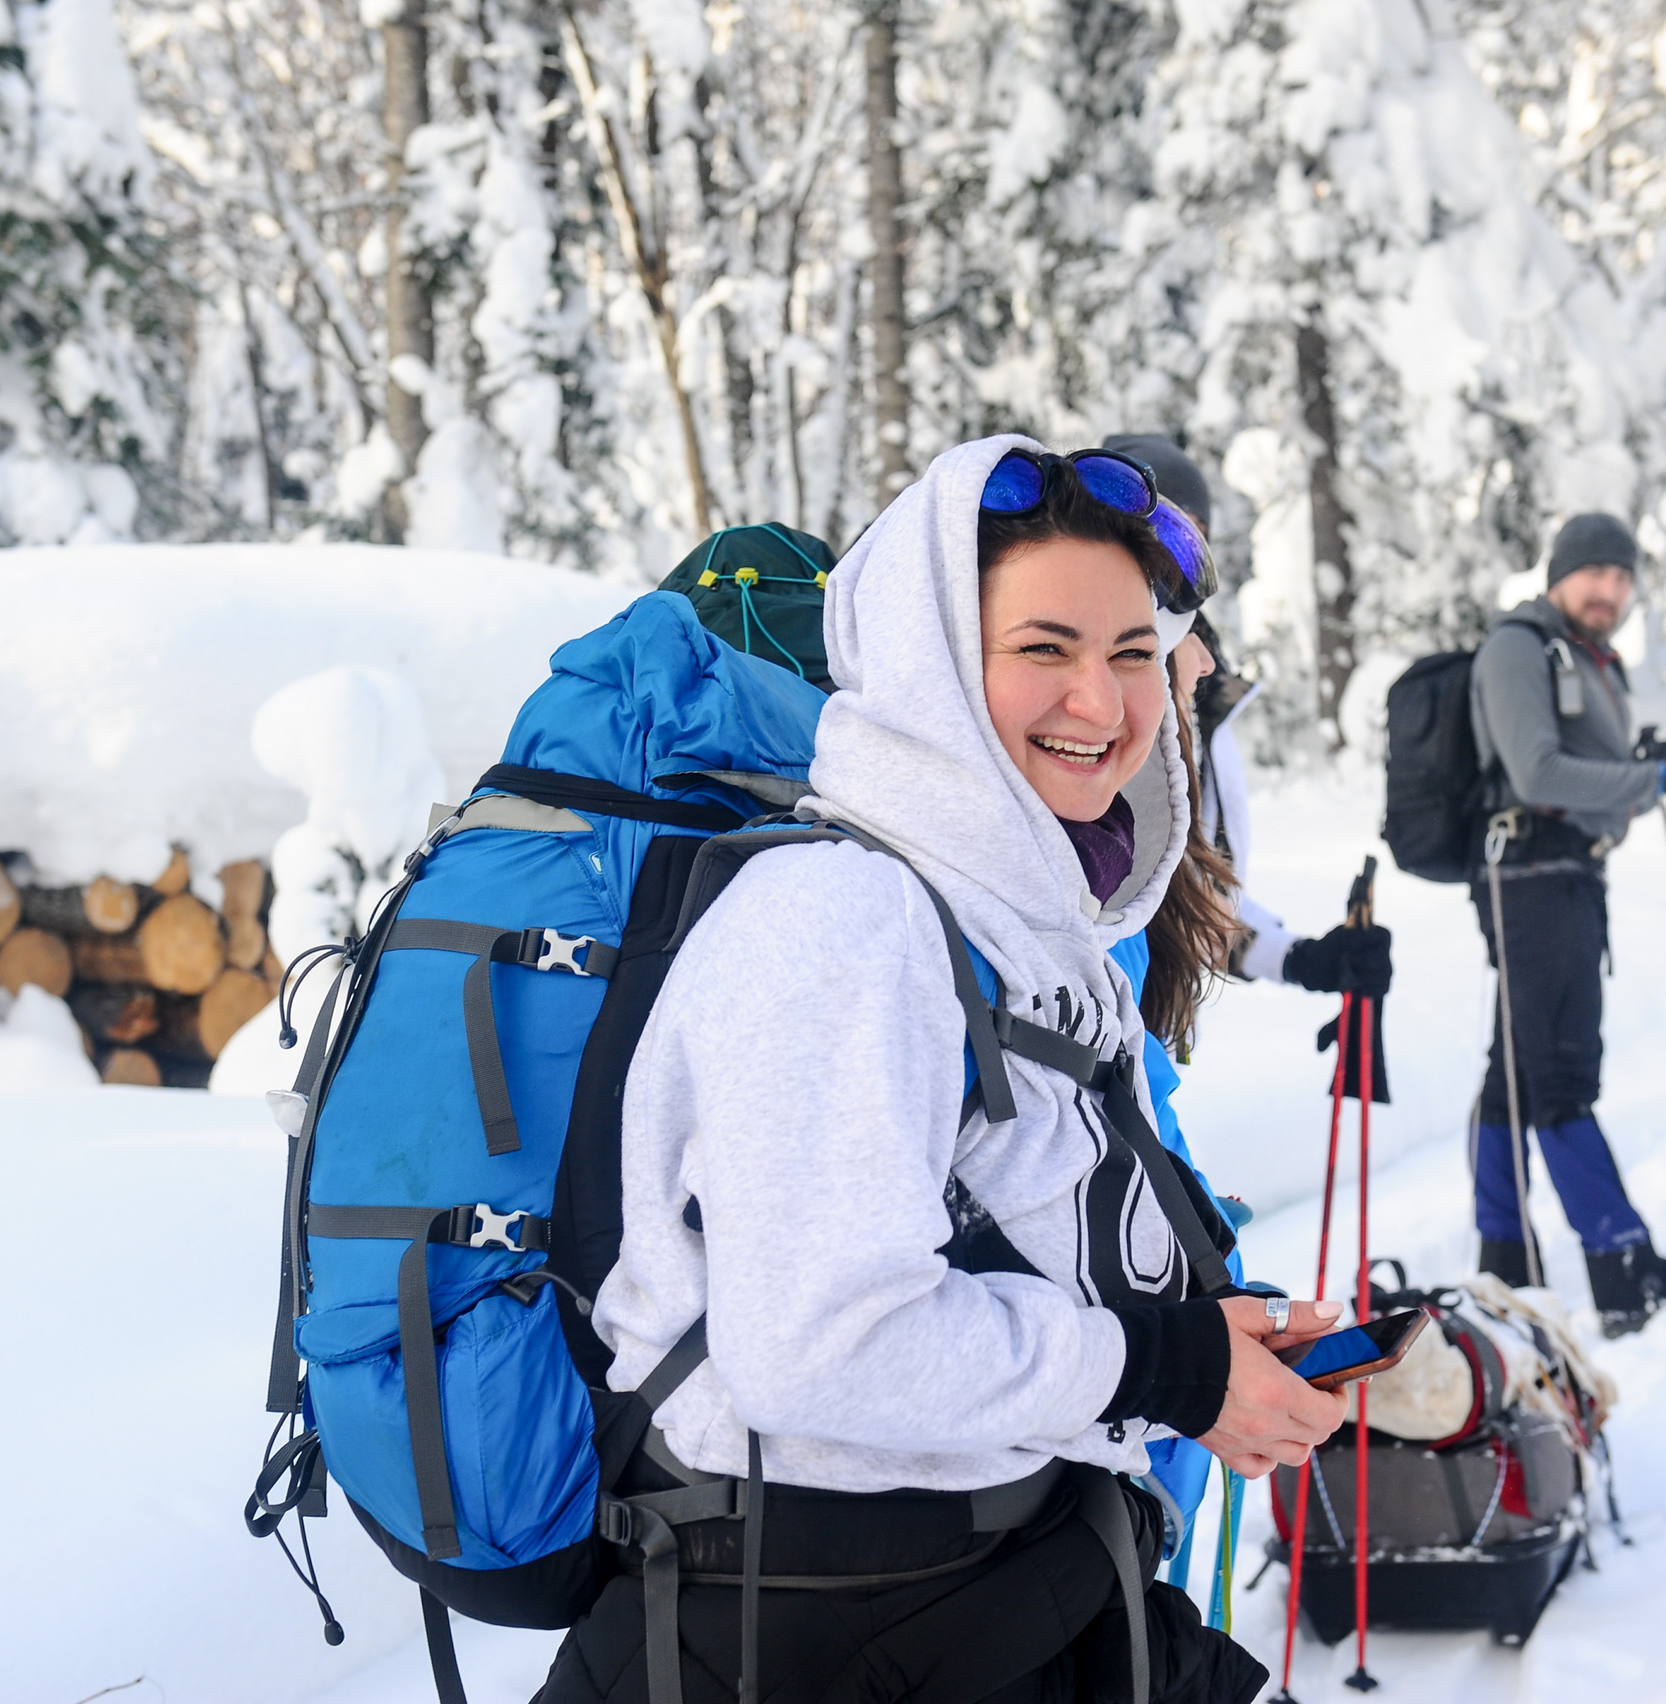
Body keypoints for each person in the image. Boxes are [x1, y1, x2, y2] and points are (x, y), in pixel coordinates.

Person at [548, 438, 1350, 1704]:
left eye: (1130, 653)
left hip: (996, 1582)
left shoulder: (1018, 912)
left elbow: (1019, 1217)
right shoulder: (843, 920)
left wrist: (1202, 1340)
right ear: (930, 662)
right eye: (1043, 648)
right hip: (808, 1631)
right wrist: (1167, 1369)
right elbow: (820, 1345)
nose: (1102, 703)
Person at [1468, 512, 1666, 1337]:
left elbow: (1591, 777)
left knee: (1517, 1071)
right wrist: (1651, 779)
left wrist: (1651, 766)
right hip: (1531, 879)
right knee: (1560, 1074)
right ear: (1560, 574)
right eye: (1596, 573)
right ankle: (1623, 1269)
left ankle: (1505, 1262)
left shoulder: (1587, 656)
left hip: (1564, 877)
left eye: (1623, 578)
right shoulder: (1520, 648)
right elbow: (1537, 772)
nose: (1610, 590)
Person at [1099, 435, 1390, 1007]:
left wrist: (1297, 958)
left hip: (1158, 1024)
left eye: (1196, 538)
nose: (1179, 561)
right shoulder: (1102, 702)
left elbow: (1192, 892)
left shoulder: (1203, 688)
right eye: (1163, 531)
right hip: (1107, 1022)